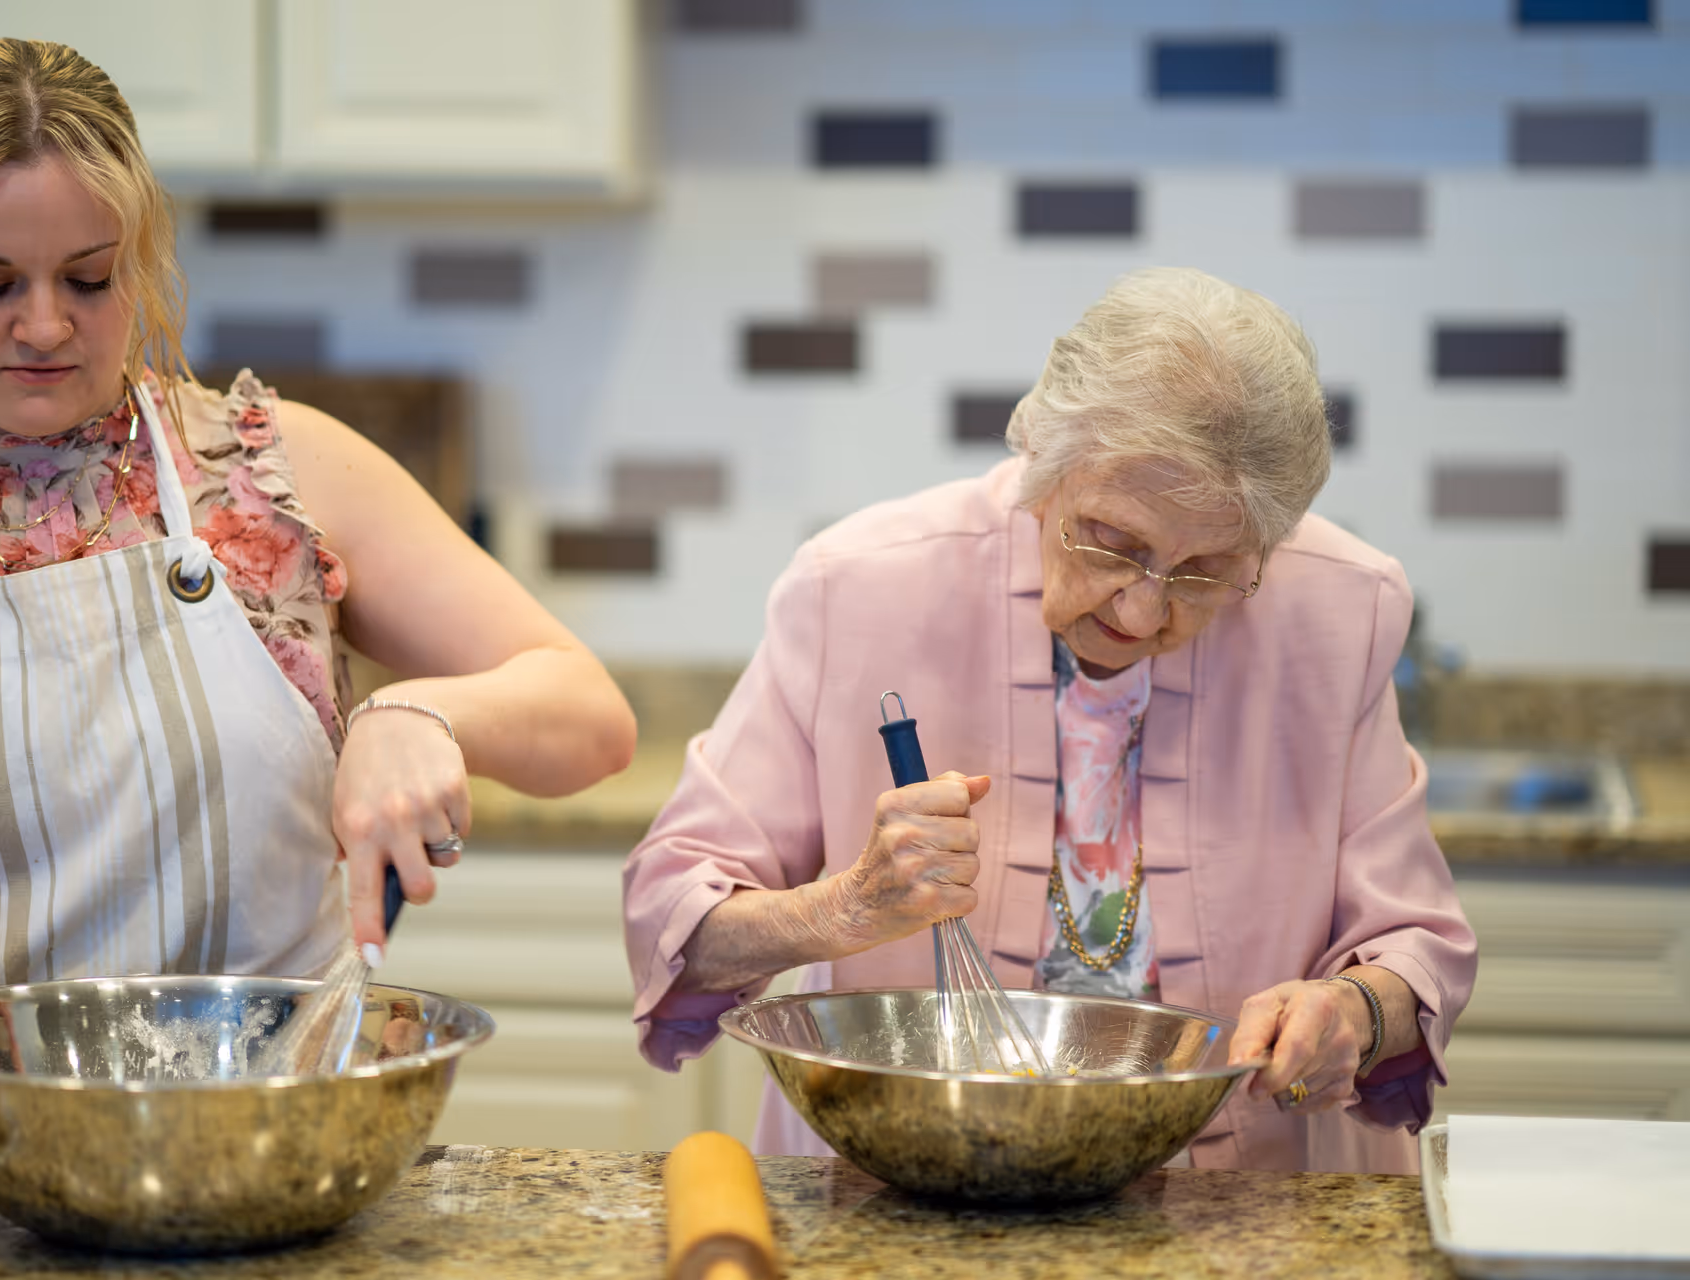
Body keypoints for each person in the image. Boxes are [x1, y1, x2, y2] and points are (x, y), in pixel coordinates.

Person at [0, 38, 635, 1127]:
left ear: (142, 254)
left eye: (89, 277)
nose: (44, 324)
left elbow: (589, 711)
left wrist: (418, 711)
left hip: (265, 1162)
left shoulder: (276, 473)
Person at [622, 267, 1477, 1173]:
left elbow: (1416, 943)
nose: (1146, 612)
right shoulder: (856, 586)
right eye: (1112, 542)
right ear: (1043, 460)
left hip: (1250, 1202)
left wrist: (1355, 1013)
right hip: (900, 1178)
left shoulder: (1340, 608)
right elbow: (674, 913)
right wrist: (844, 908)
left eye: (1207, 571)